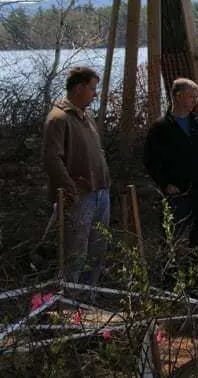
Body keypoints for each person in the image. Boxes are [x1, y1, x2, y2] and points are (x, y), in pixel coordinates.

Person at [43, 66, 111, 284]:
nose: (95, 94)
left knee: (96, 252)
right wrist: (70, 189)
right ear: (79, 88)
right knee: (75, 254)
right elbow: (52, 159)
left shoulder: (86, 116)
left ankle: (87, 302)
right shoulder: (58, 118)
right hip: (79, 197)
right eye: (92, 89)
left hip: (100, 193)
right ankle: (69, 305)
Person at [144, 78, 198, 249]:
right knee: (173, 240)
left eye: (197, 97)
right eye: (192, 96)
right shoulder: (160, 127)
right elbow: (150, 160)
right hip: (177, 194)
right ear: (178, 96)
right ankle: (172, 274)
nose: (195, 100)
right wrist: (165, 184)